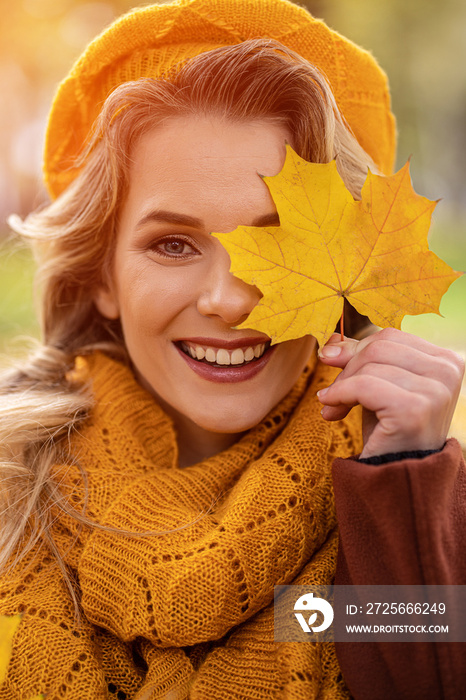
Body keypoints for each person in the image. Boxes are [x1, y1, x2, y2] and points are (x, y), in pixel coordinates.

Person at [0, 0, 464, 698]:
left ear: (347, 273)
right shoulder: (12, 497)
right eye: (173, 244)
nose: (230, 299)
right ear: (101, 276)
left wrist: (403, 484)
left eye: (275, 244)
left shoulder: (414, 503)